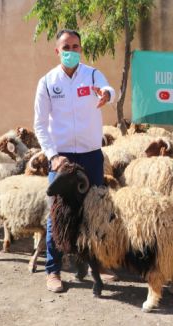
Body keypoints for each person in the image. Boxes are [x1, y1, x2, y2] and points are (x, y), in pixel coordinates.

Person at [33, 29, 116, 293]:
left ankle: (96, 264)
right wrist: (52, 156)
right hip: (62, 158)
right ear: (57, 51)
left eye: (76, 46)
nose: (71, 51)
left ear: (81, 49)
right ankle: (53, 270)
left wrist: (106, 95)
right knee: (57, 214)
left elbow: (108, 88)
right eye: (66, 47)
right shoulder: (47, 82)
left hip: (91, 155)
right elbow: (40, 125)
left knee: (95, 210)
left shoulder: (92, 74)